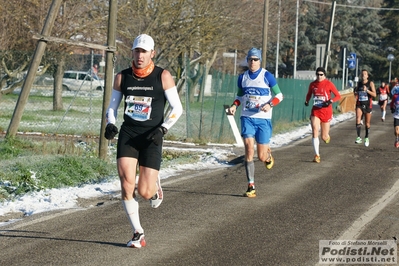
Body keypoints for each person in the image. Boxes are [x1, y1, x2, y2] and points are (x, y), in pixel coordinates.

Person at [104, 34, 183, 248]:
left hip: (151, 137)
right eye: (137, 51)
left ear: (152, 54)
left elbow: (178, 108)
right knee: (126, 184)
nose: (140, 56)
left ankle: (154, 186)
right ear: (132, 52)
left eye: (144, 52)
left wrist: (163, 129)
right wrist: (110, 123)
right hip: (129, 134)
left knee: (145, 192)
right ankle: (137, 232)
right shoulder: (122, 77)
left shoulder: (163, 76)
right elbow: (111, 107)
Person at [227, 47, 283, 198]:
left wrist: (270, 104)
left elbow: (279, 95)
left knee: (262, 157)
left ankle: (268, 156)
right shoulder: (242, 77)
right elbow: (239, 97)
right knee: (249, 150)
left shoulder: (267, 76)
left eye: (255, 59)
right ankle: (251, 186)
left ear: (260, 61)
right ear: (247, 61)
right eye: (250, 59)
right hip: (247, 118)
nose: (252, 62)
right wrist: (234, 106)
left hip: (263, 120)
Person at [304, 67, 341, 163]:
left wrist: (330, 101)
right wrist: (307, 101)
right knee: (315, 130)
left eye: (321, 74)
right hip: (316, 110)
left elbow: (338, 96)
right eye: (318, 74)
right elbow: (309, 94)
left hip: (326, 111)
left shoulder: (329, 84)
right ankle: (317, 155)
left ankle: (326, 136)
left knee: (324, 137)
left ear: (324, 75)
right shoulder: (312, 84)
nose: (319, 76)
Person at [354, 69, 376, 147]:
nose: (363, 75)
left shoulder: (370, 83)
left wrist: (367, 90)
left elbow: (374, 95)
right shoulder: (359, 84)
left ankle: (366, 137)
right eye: (362, 74)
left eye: (365, 74)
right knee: (357, 118)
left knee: (367, 123)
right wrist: (355, 92)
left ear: (367, 76)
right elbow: (356, 93)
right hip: (359, 104)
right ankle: (359, 137)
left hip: (368, 105)